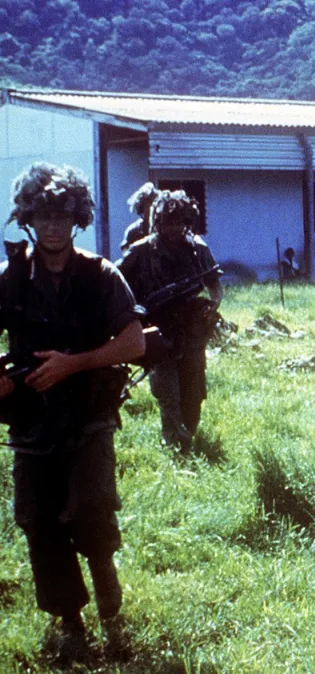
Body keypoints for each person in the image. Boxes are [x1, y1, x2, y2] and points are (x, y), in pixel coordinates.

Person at [0, 162, 145, 661]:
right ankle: (70, 622)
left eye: (63, 215)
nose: (53, 226)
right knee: (39, 520)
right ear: (29, 219)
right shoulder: (11, 280)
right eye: (43, 215)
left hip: (88, 417)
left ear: (78, 217)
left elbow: (133, 341)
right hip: (32, 423)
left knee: (90, 508)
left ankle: (105, 580)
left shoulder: (101, 274)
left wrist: (73, 364)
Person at [118, 190, 222, 450]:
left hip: (191, 333)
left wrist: (213, 305)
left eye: (179, 222)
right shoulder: (142, 251)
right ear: (157, 222)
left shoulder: (198, 249)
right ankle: (175, 445)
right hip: (157, 331)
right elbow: (115, 283)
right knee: (168, 393)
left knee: (194, 392)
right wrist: (134, 315)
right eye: (167, 222)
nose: (173, 228)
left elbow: (214, 284)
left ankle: (189, 435)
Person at [119, 182, 159, 253]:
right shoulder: (133, 231)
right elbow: (126, 254)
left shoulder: (162, 229)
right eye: (149, 204)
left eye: (155, 204)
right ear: (141, 206)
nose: (153, 208)